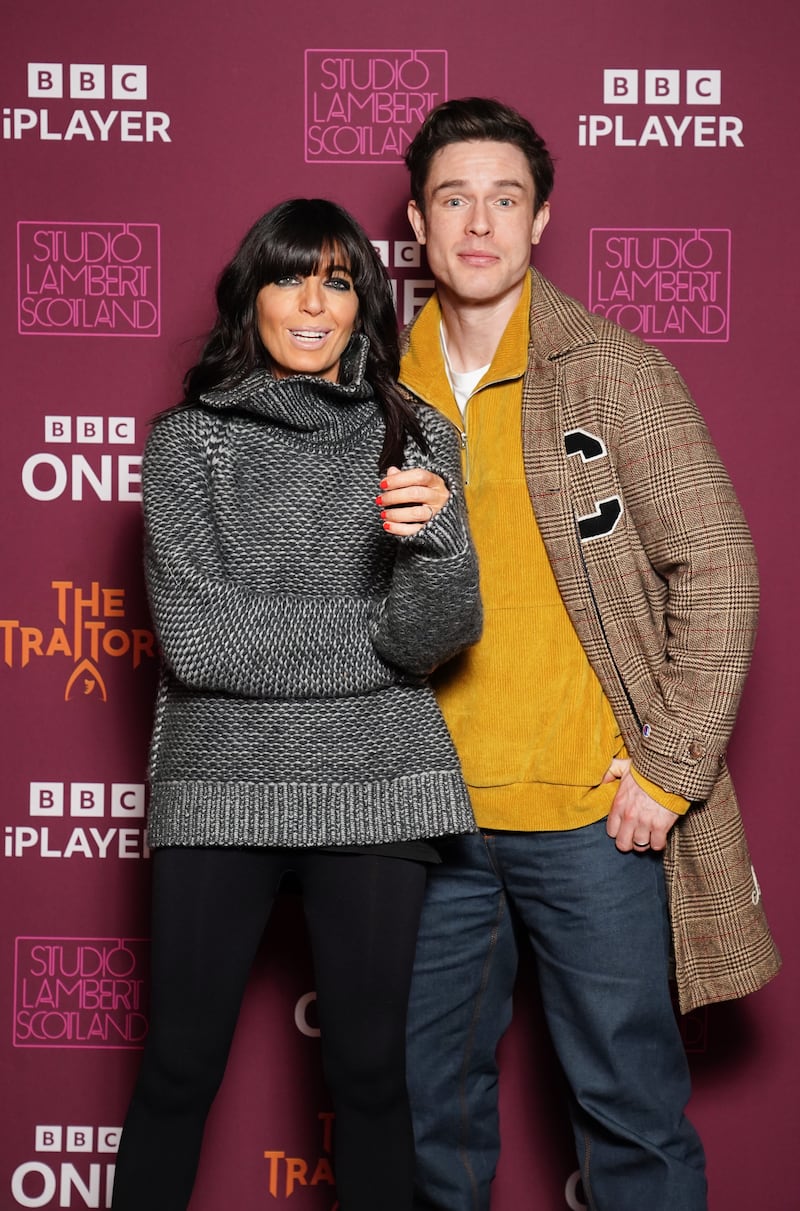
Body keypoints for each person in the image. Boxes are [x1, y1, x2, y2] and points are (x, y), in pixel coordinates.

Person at [380, 98, 781, 1211]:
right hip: (426, 821)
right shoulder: (371, 391)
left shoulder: (610, 370)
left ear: (540, 217)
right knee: (425, 1119)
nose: (477, 222)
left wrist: (669, 767)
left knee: (633, 1117)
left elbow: (718, 567)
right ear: (415, 219)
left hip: (589, 820)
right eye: (452, 197)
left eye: (503, 198)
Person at [111, 197, 482, 1211]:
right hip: (219, 788)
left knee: (369, 1076)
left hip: (373, 786)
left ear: (363, 299)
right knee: (179, 1067)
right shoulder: (188, 442)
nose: (312, 301)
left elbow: (428, 636)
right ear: (251, 296)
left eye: (337, 278)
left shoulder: (417, 437)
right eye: (288, 275)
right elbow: (197, 639)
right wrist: (366, 638)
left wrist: (439, 550)